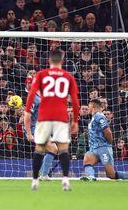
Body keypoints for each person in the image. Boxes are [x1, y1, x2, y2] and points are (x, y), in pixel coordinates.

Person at [24, 49, 80, 191]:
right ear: (61, 60)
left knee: (39, 149)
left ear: (49, 60)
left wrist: (27, 112)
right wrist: (75, 121)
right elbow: (75, 101)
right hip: (61, 117)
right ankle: (65, 180)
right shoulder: (68, 77)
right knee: (63, 149)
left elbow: (31, 95)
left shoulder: (41, 74)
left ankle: (35, 180)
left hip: (44, 117)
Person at [80, 99, 128, 182]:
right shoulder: (94, 118)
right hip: (94, 148)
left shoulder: (99, 116)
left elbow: (107, 131)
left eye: (89, 106)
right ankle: (91, 177)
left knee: (111, 174)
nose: (88, 108)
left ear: (93, 106)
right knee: (87, 160)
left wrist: (108, 142)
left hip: (103, 148)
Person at [24, 76, 57, 181]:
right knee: (53, 148)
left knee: (46, 150)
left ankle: (42, 174)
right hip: (35, 128)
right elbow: (27, 116)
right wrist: (29, 133)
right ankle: (43, 174)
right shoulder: (33, 97)